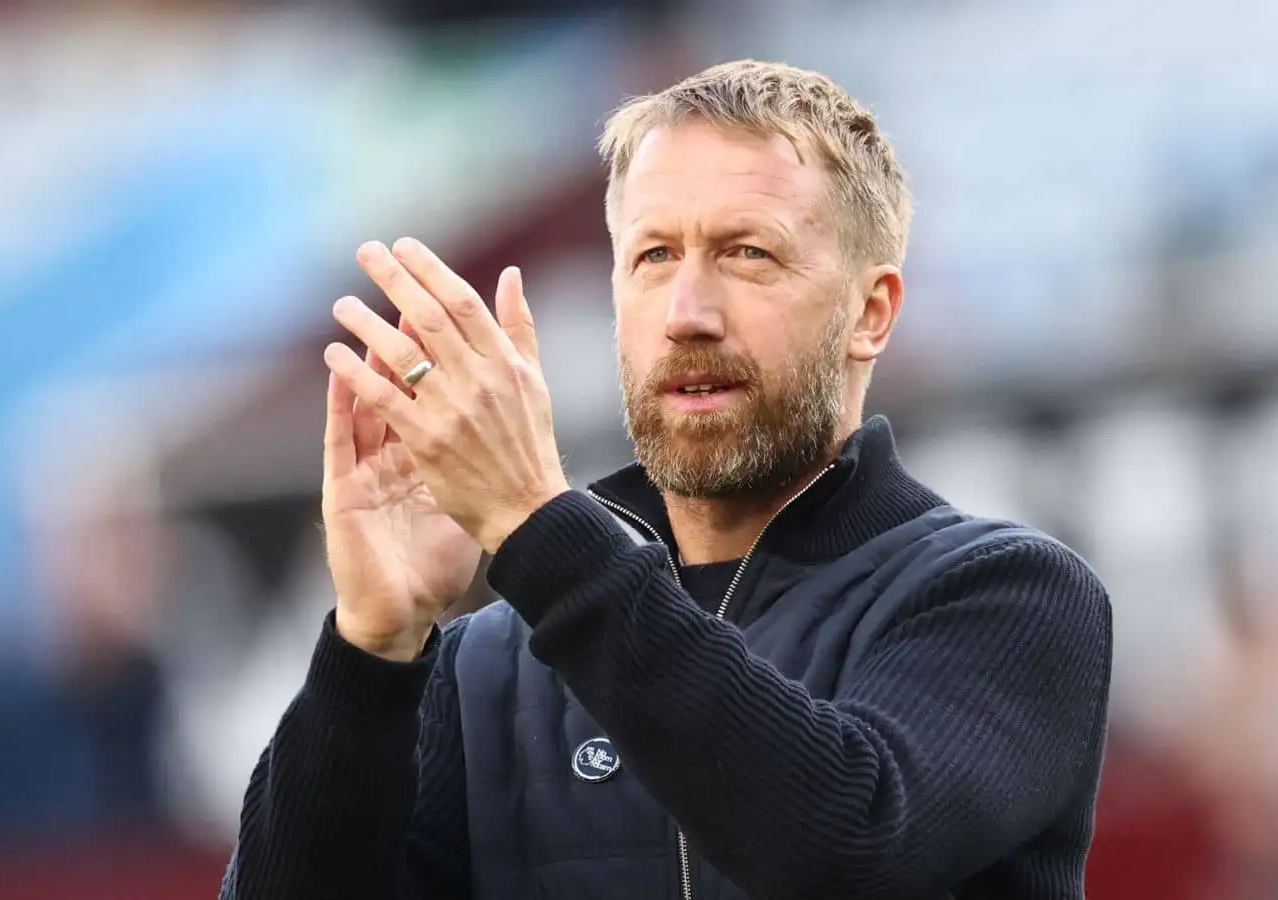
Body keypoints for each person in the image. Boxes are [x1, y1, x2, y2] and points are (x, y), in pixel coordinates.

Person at [220, 60, 1113, 900]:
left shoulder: (1011, 596)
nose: (689, 314)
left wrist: (538, 522)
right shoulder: (487, 665)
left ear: (869, 312)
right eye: (653, 257)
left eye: (747, 254)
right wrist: (370, 649)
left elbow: (845, 848)